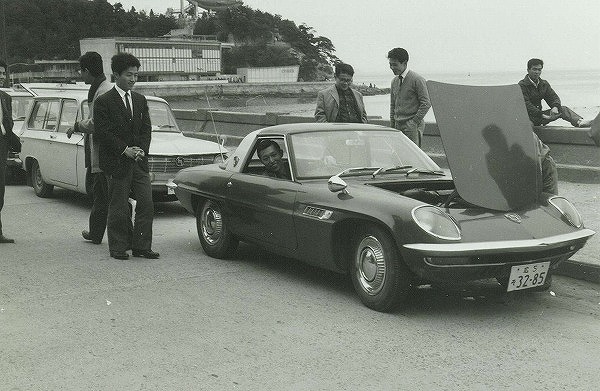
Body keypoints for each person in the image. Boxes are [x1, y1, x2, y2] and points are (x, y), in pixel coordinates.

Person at [94, 52, 159, 260]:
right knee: (119, 206)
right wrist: (125, 150)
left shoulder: (140, 100)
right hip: (117, 161)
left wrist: (141, 149)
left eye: (136, 75)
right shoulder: (104, 101)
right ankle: (118, 247)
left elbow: (146, 130)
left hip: (139, 161)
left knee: (147, 204)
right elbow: (103, 133)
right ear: (116, 75)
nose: (133, 79)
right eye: (129, 75)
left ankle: (141, 246)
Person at [67, 52, 113, 245]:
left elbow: (95, 124)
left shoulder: (101, 92)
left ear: (87, 70)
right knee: (101, 194)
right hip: (100, 152)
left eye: (81, 71)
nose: (80, 75)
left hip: (104, 153)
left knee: (107, 195)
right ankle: (95, 233)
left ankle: (114, 235)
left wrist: (76, 126)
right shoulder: (101, 87)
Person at [518, 58, 592, 127]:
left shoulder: (543, 84)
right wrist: (541, 115)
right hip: (529, 118)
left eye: (539, 70)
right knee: (528, 127)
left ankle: (580, 122)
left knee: (563, 109)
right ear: (528, 70)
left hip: (541, 115)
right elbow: (526, 104)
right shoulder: (522, 85)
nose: (537, 72)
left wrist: (555, 107)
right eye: (534, 69)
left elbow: (553, 97)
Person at [388, 47, 431, 147]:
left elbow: (426, 103)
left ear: (405, 63)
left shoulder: (417, 79)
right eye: (390, 64)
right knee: (399, 157)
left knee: (413, 158)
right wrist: (392, 125)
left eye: (395, 64)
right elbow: (392, 105)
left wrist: (413, 122)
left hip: (412, 128)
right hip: (397, 127)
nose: (392, 67)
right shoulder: (394, 81)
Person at [0, 60, 15, 243]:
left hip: (1, 147)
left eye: (3, 73)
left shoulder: (5, 98)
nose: (1, 77)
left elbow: (8, 124)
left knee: (0, 191)